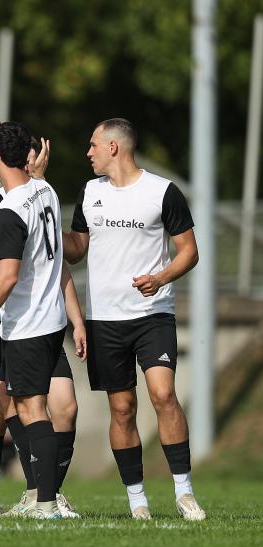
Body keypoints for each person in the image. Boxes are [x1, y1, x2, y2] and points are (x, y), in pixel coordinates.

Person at [63, 118, 204, 521]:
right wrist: (48, 224)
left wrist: (160, 278)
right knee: (122, 409)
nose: (87, 152)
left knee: (162, 395)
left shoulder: (163, 192)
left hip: (152, 315)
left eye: (93, 144)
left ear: (113, 147)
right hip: (104, 320)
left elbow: (189, 252)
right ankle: (137, 500)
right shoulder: (90, 193)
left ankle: (184, 492)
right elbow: (76, 251)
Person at [0, 123, 84, 518]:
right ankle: (40, 497)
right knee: (18, 407)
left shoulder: (11, 211)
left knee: (32, 411)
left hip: (27, 325)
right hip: (50, 323)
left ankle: (45, 501)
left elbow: (9, 275)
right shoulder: (45, 190)